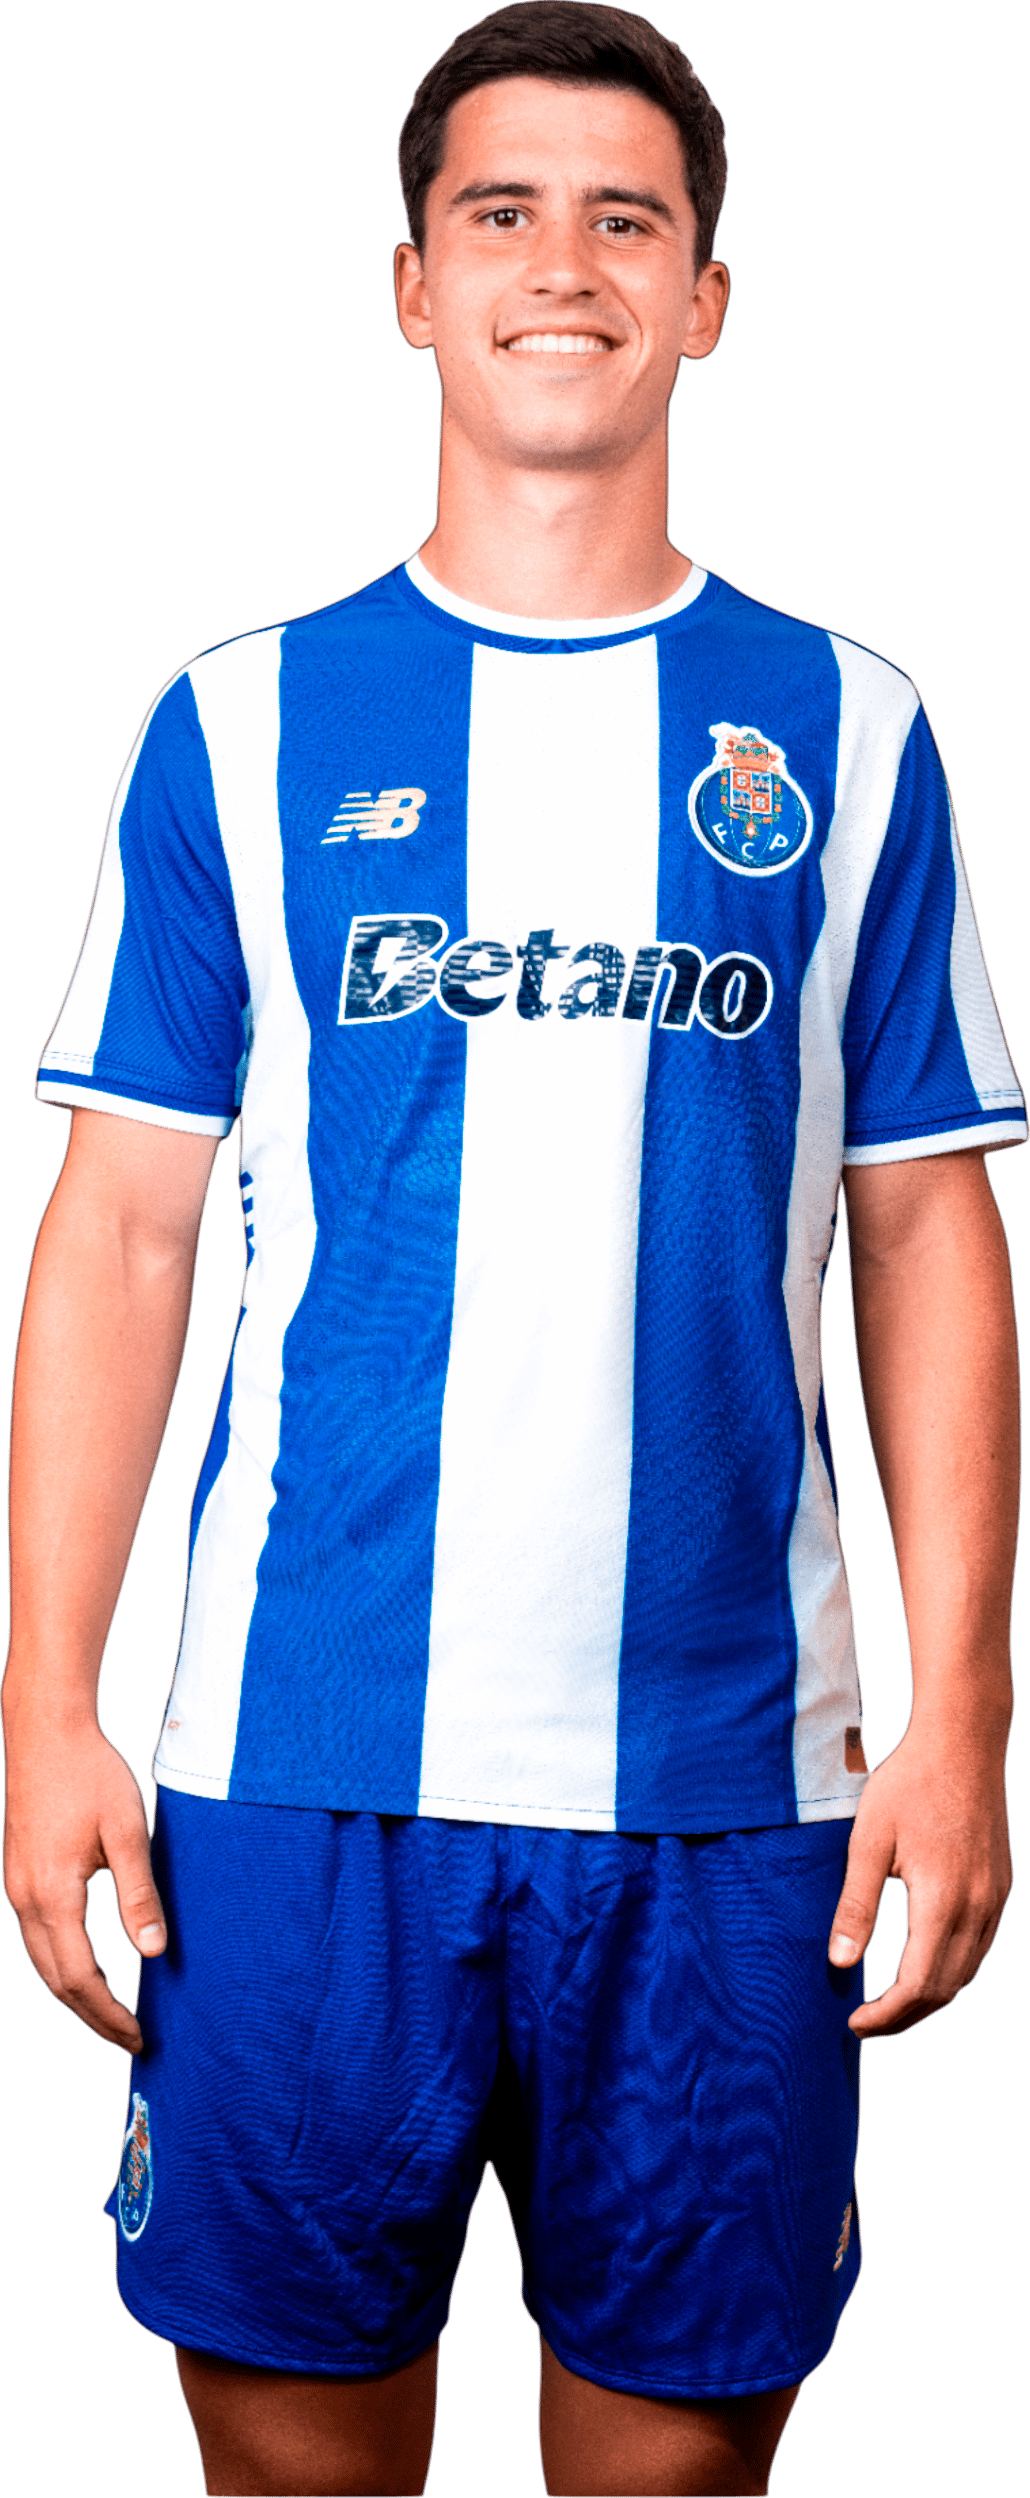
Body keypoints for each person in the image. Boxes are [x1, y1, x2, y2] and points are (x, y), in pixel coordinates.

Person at [2, 6, 1022, 2493]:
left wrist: (963, 1711)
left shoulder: (842, 728)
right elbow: (122, 1231)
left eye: (621, 219)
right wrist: (44, 1703)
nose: (560, 263)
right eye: (500, 213)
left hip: (727, 1777)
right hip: (293, 1763)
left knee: (672, 2475)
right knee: (289, 2466)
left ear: (700, 302)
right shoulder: (237, 720)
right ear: (410, 288)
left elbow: (918, 1229)